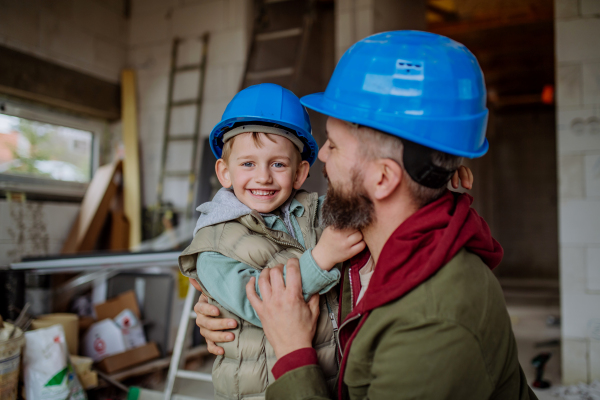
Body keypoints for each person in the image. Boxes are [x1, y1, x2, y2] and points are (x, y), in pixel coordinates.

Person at [195, 31, 538, 399]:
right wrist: (226, 306)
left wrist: (292, 351)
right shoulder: (363, 244)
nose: (321, 157)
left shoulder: (431, 323)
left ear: (383, 178)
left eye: (334, 145)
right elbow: (266, 276)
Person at [178, 83, 366, 399]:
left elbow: (371, 201)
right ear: (225, 172)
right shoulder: (213, 243)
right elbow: (260, 306)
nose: (264, 176)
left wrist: (439, 179)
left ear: (300, 173)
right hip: (261, 390)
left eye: (278, 164)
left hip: (327, 380)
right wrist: (321, 258)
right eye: (248, 163)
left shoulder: (313, 211)